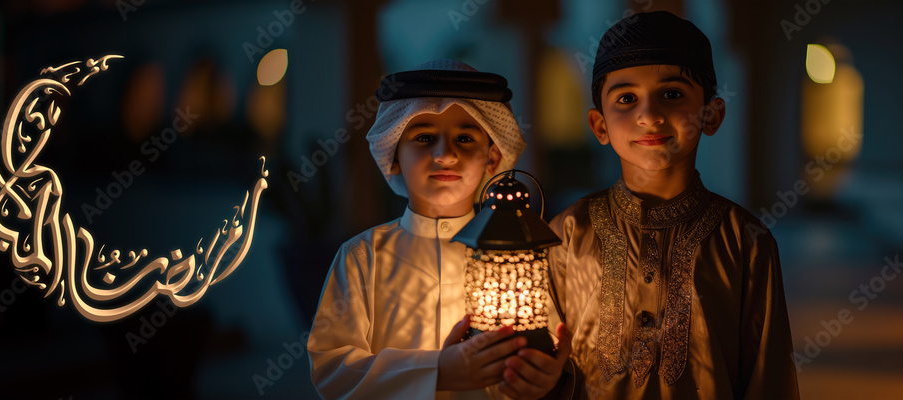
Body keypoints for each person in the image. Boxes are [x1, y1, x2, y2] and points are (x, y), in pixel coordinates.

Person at [547, 11, 800, 398]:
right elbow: (542, 372)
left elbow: (770, 381)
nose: (649, 116)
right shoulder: (567, 233)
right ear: (599, 125)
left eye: (671, 94)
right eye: (626, 98)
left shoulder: (746, 240)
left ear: (711, 115)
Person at [308, 60, 572, 399]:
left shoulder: (517, 261)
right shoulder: (362, 257)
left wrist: (542, 378)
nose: (445, 154)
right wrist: (439, 371)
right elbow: (332, 367)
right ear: (394, 156)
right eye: (424, 137)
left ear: (492, 158)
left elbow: (540, 346)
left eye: (464, 137)